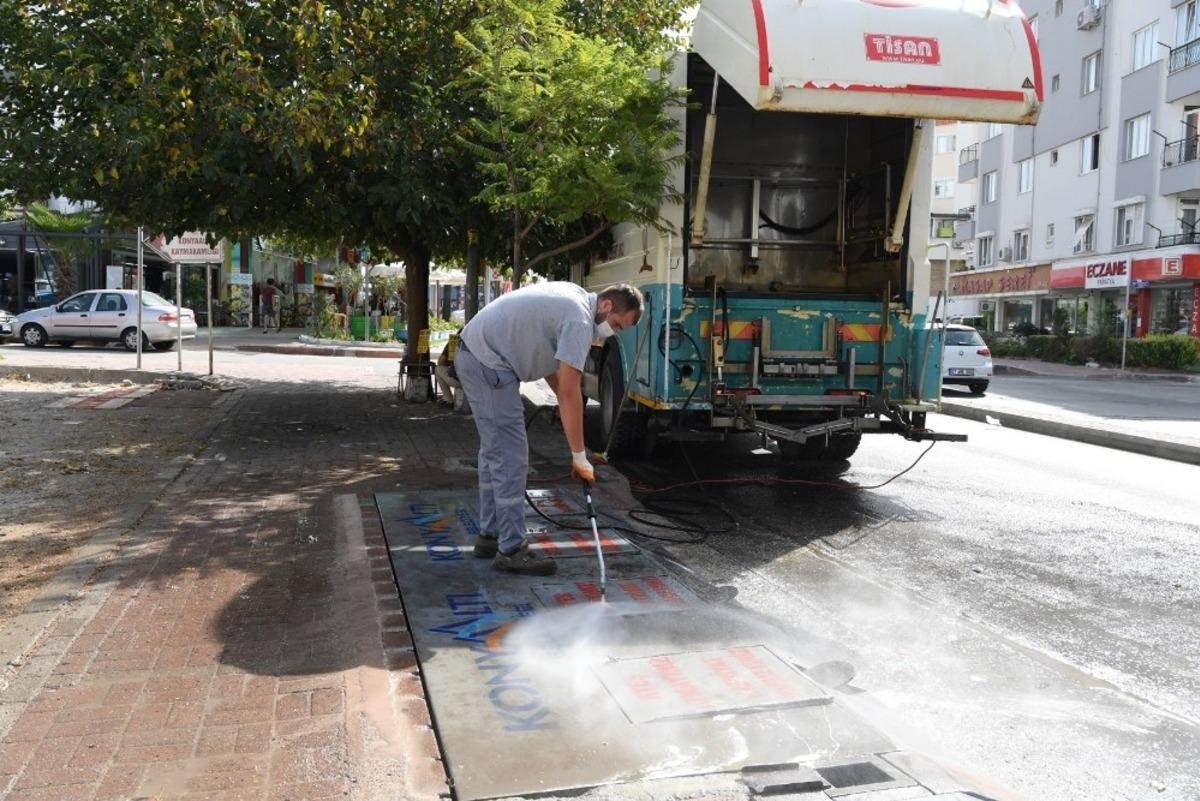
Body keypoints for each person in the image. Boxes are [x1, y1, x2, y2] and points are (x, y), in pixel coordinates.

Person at [455, 282, 642, 576]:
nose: (613, 332)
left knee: (495, 453)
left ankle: (490, 536)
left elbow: (555, 373)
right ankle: (512, 550)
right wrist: (579, 457)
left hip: (477, 355)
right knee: (510, 458)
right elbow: (571, 393)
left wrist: (571, 427)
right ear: (606, 305)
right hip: (488, 364)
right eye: (617, 325)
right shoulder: (580, 319)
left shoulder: (574, 298)